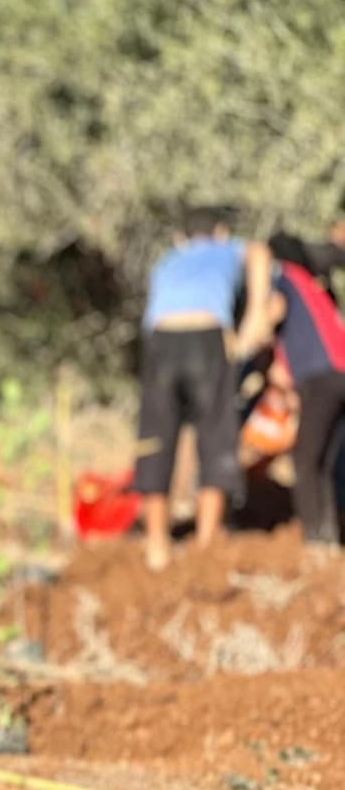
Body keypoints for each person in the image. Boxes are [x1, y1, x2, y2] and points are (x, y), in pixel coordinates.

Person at [135, 208, 271, 570]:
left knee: (155, 439)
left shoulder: (168, 260)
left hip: (161, 341)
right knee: (215, 434)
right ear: (221, 232)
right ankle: (206, 543)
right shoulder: (225, 248)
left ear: (181, 238)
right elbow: (259, 252)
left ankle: (157, 546)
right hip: (206, 337)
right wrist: (255, 316)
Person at [257, 235, 345, 543]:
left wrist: (256, 344)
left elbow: (273, 313)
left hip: (320, 375)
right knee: (326, 460)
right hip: (339, 371)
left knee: (306, 460)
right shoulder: (312, 284)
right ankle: (329, 535)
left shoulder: (282, 277)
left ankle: (317, 539)